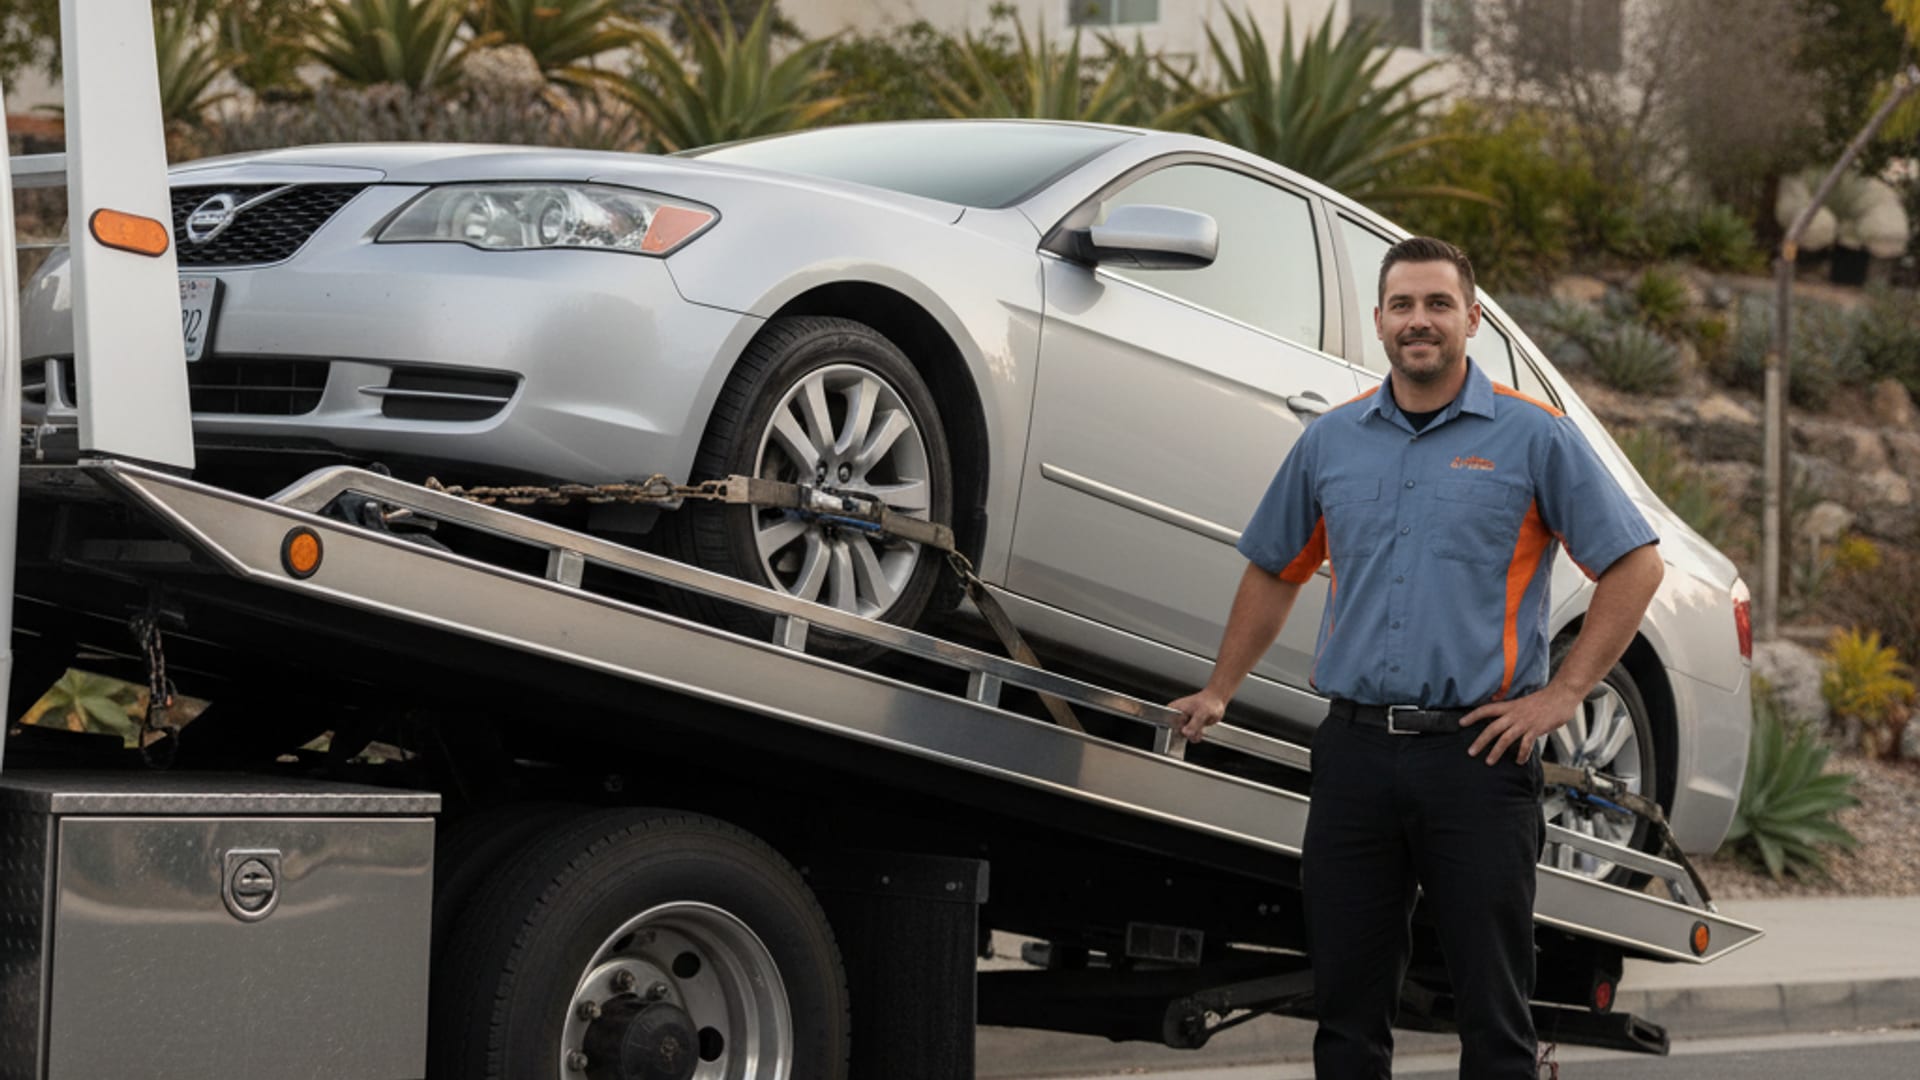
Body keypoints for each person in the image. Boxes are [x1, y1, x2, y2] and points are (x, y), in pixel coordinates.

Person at [1170, 236, 1664, 1079]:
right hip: (1355, 755)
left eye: (1438, 304)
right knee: (1347, 1016)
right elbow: (1274, 569)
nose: (1420, 322)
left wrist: (1562, 696)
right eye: (1403, 305)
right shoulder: (1332, 442)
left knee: (1492, 1016)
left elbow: (1635, 563)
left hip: (1478, 756)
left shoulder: (1532, 437)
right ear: (1379, 322)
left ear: (1473, 319)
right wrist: (1220, 690)